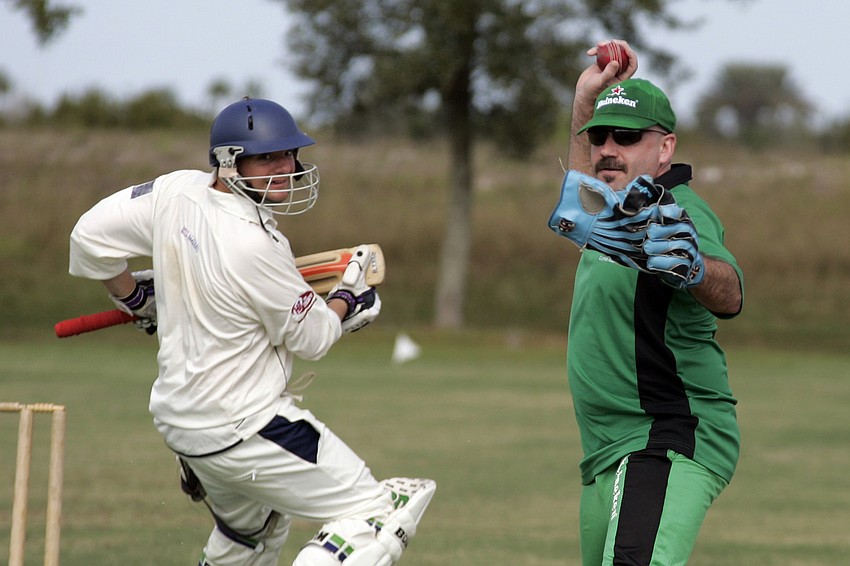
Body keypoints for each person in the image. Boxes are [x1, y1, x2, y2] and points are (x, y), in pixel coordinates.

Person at [68, 97, 435, 566]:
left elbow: (89, 238)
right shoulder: (256, 245)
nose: (286, 168)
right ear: (228, 162)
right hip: (246, 426)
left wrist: (134, 298)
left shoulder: (175, 191)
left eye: (289, 154)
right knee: (378, 514)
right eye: (267, 158)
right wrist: (348, 298)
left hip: (185, 425)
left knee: (249, 539)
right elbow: (314, 338)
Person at [558, 42, 744, 565]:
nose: (607, 149)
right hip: (608, 449)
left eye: (627, 137)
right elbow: (576, 204)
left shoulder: (676, 209)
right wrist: (585, 100)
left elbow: (731, 293)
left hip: (665, 435)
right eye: (599, 137)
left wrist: (695, 268)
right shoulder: (609, 211)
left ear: (665, 149)